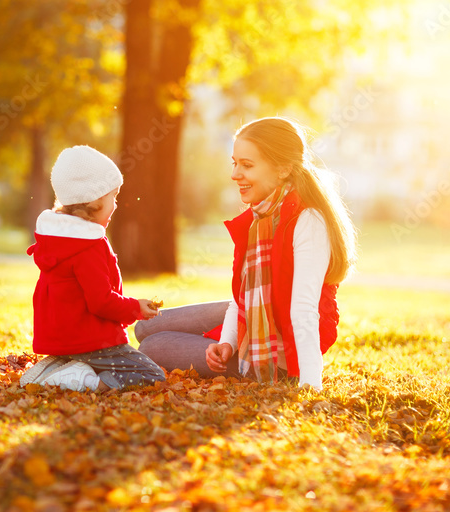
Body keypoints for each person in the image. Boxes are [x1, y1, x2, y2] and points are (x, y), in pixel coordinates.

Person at [136, 117, 357, 391]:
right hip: (259, 317)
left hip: (280, 352)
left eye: (247, 165)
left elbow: (303, 310)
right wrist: (227, 342)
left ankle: (255, 361)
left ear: (283, 169)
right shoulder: (260, 216)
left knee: (152, 345)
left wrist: (310, 383)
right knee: (143, 327)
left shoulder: (307, 220)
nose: (235, 174)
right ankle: (228, 342)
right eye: (235, 163)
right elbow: (243, 297)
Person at [20, 145, 166, 392]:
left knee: (94, 358)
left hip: (65, 340)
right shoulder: (89, 245)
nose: (116, 205)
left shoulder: (58, 240)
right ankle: (86, 381)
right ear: (95, 199)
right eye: (113, 197)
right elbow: (101, 302)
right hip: (94, 341)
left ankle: (58, 364)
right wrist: (134, 307)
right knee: (151, 374)